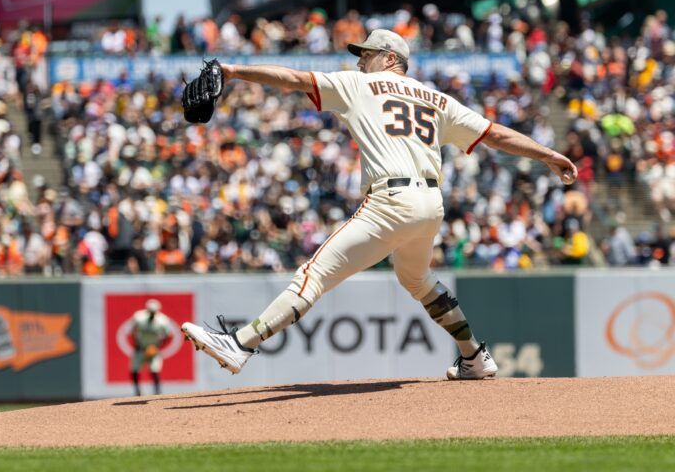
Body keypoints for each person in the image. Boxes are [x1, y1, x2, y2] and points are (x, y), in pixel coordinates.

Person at [181, 29, 578, 380]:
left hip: (391, 200)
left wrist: (233, 70)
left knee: (314, 274)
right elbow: (496, 135)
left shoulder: (361, 85)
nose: (359, 59)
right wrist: (548, 155)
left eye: (366, 53)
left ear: (390, 59)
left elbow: (293, 78)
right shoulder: (437, 99)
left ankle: (241, 343)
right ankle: (474, 355)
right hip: (430, 204)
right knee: (418, 280)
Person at [130, 299, 173, 396]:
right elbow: (132, 331)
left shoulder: (162, 320)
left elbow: (168, 335)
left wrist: (158, 346)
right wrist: (136, 344)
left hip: (153, 349)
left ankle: (157, 391)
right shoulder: (139, 317)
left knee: (155, 370)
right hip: (141, 348)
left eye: (154, 312)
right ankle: (137, 391)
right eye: (150, 311)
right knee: (134, 369)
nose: (152, 314)